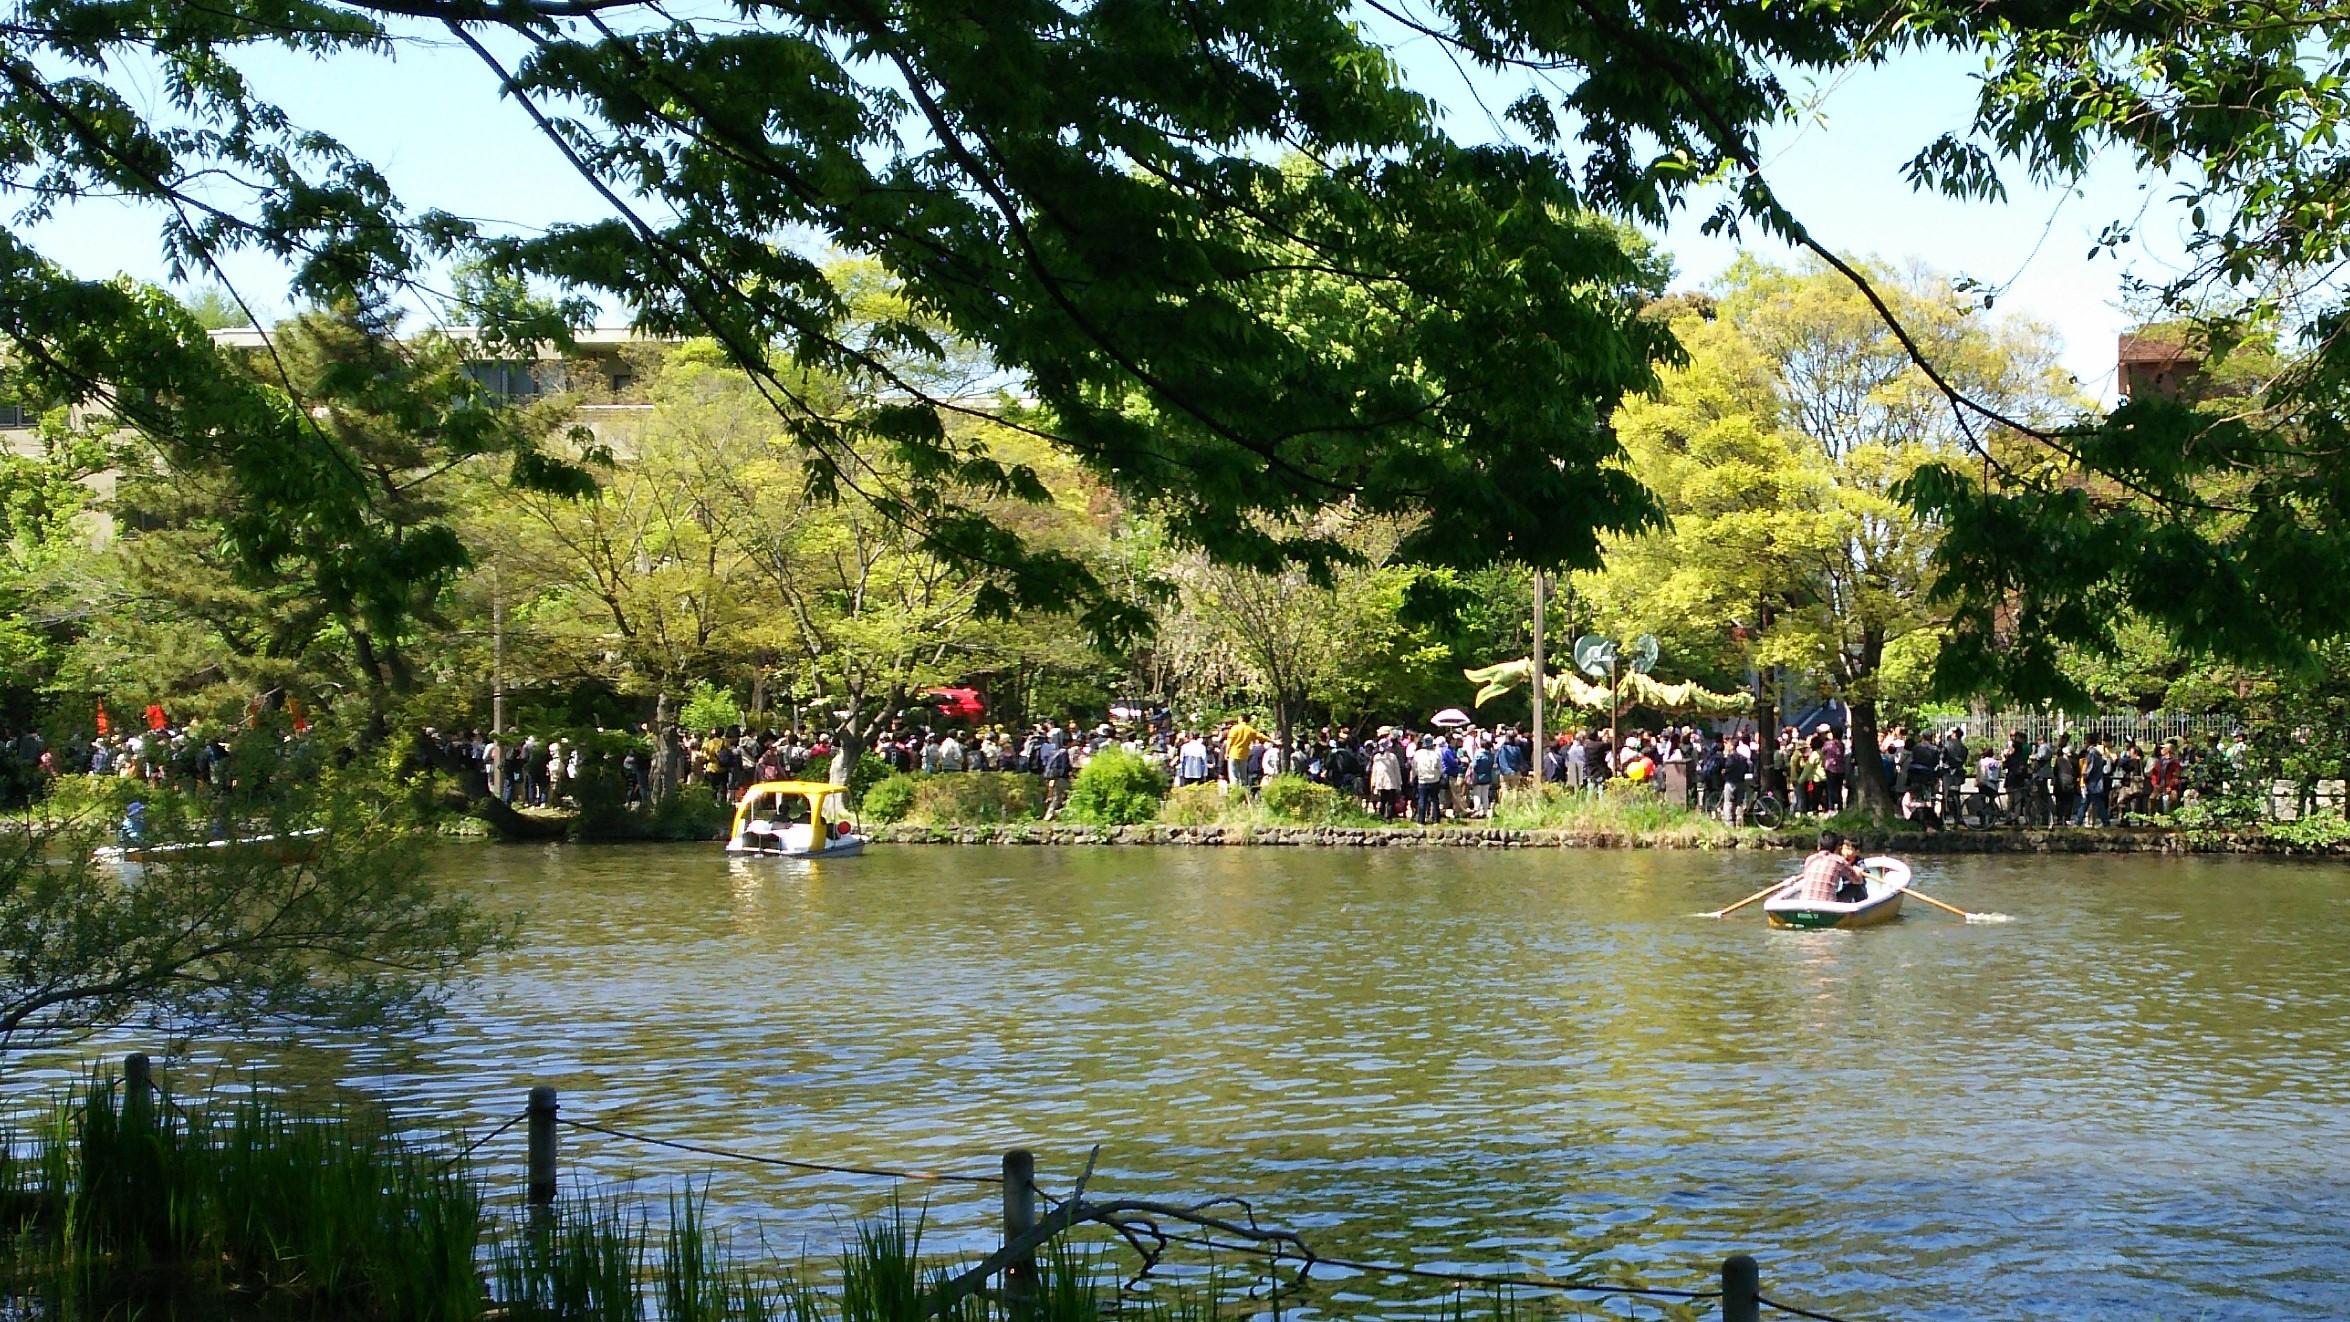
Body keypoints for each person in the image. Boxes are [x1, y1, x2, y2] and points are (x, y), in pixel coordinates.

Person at [1789, 830, 1868, 904]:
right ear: (1837, 848)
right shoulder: (1839, 861)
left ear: (1818, 847)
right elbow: (1858, 880)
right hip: (1828, 906)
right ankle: (1865, 909)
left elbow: (1806, 875)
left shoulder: (1810, 859)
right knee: (1856, 886)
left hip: (1805, 904)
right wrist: (1858, 872)